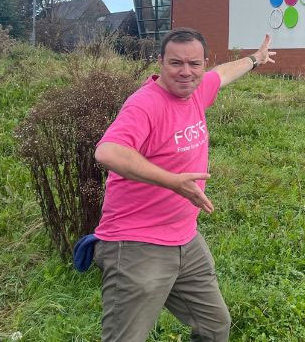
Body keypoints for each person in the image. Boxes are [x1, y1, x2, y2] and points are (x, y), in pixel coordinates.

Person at [92, 27, 275, 342]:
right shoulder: (145, 104)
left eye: (195, 64)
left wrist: (255, 59)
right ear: (160, 62)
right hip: (137, 244)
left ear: (204, 63)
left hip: (185, 240)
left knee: (214, 327)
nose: (186, 71)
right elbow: (107, 151)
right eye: (176, 63)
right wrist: (173, 182)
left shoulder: (198, 90)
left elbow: (223, 73)